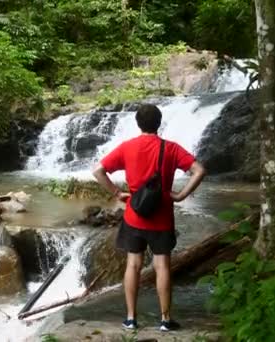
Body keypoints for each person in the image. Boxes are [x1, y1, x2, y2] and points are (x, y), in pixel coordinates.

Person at [92, 104, 206, 332]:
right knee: (162, 266)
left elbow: (98, 171)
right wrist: (181, 195)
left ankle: (131, 319)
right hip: (162, 217)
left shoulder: (127, 147)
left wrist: (117, 193)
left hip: (134, 215)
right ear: (159, 123)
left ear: (138, 123)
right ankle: (165, 320)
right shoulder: (171, 148)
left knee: (133, 265)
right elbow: (199, 170)